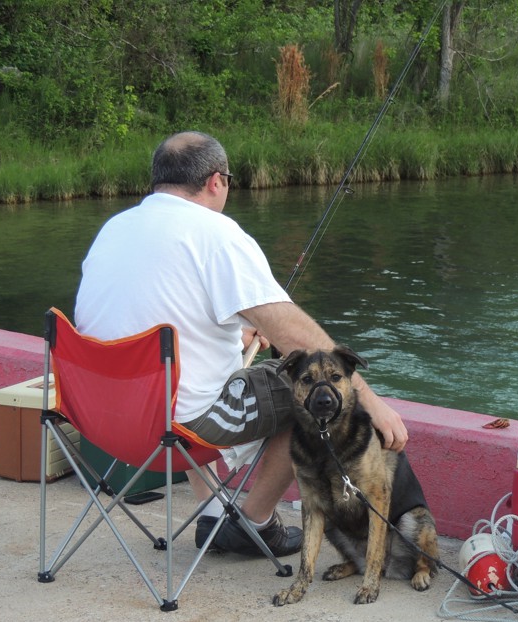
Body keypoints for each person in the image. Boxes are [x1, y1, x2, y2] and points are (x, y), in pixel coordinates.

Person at [74, 131, 408, 558]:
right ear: (217, 181)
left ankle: (214, 513)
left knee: (201, 382)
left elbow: (146, 322)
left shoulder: (113, 229)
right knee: (311, 395)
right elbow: (296, 336)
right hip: (176, 429)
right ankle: (254, 522)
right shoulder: (216, 233)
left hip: (102, 422)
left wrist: (237, 333)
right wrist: (371, 403)